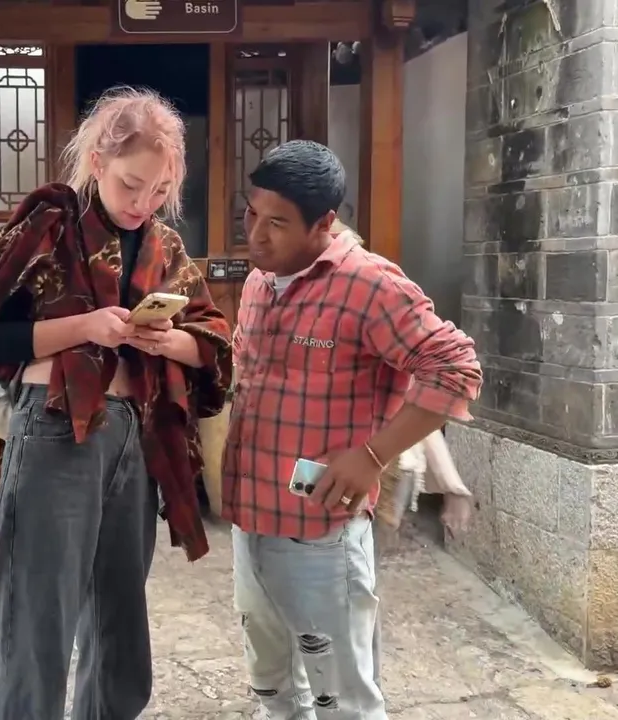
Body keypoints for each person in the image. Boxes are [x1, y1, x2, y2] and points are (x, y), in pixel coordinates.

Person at [0, 86, 233, 720]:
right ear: (98, 162)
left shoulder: (165, 245)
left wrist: (172, 341)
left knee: (120, 611)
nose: (143, 203)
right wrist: (84, 327)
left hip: (135, 434)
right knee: (39, 607)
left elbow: (215, 340)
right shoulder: (47, 228)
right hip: (57, 426)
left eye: (159, 191)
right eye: (131, 184)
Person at [222, 140, 482, 720]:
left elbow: (456, 367)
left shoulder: (368, 284)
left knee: (341, 697)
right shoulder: (260, 282)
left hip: (321, 533)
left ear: (324, 223)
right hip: (251, 518)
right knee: (271, 684)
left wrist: (372, 455)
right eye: (251, 214)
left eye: (277, 223)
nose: (256, 235)